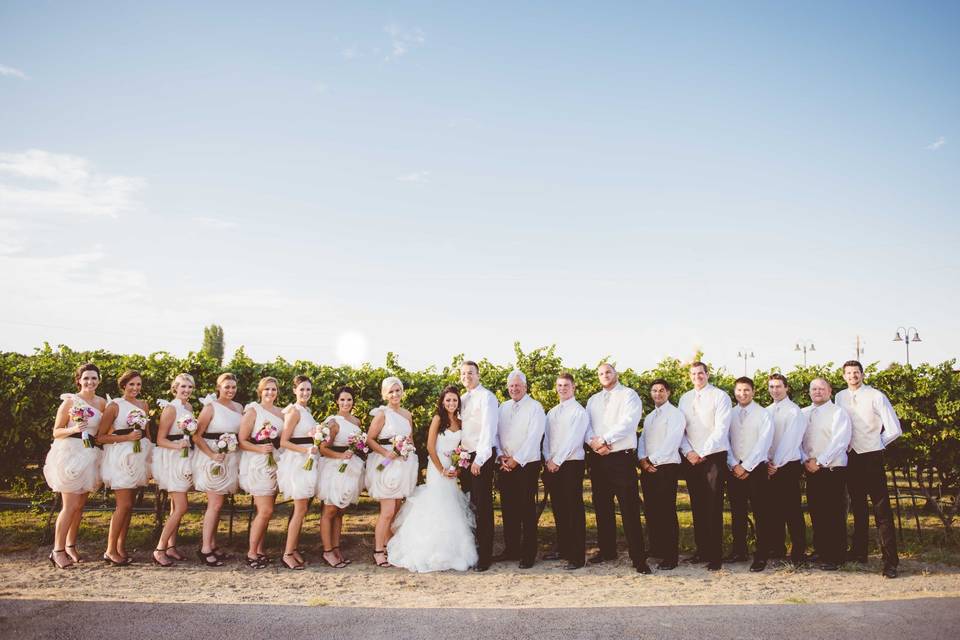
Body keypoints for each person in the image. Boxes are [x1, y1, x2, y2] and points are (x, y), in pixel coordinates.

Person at [387, 386, 478, 572]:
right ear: (442, 402)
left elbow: (463, 449)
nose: (451, 403)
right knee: (437, 503)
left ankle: (452, 551)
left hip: (452, 468)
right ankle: (429, 550)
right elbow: (430, 447)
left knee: (451, 503)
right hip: (437, 467)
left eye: (454, 400)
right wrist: (442, 469)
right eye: (448, 400)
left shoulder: (461, 422)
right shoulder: (438, 419)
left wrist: (458, 469)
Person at [836, 360, 902, 579]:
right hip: (851, 457)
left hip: (872, 457)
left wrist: (877, 443)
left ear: (862, 374)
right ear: (844, 376)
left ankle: (890, 560)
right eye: (848, 373)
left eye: (856, 372)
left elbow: (894, 428)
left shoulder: (876, 395)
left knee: (881, 510)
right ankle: (859, 552)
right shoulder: (839, 397)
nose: (852, 376)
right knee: (858, 507)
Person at [585, 363, 650, 574]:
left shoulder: (629, 395)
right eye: (601, 373)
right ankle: (607, 551)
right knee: (602, 507)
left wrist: (605, 439)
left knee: (629, 508)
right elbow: (587, 427)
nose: (604, 376)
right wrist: (594, 443)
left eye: (608, 372)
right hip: (598, 459)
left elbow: (629, 423)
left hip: (621, 459)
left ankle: (638, 558)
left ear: (616, 374)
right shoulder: (593, 400)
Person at [43, 363, 105, 569]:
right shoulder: (70, 401)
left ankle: (70, 546)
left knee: (79, 506)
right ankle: (57, 550)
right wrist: (75, 428)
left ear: (99, 380)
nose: (90, 382)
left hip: (90, 454)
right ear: (78, 380)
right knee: (69, 506)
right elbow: (56, 431)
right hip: (70, 453)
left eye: (94, 378)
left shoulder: (102, 403)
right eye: (86, 378)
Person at [678, 361, 732, 571]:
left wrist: (702, 452)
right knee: (697, 506)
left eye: (700, 373)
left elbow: (721, 429)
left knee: (713, 506)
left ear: (707, 374)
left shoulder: (720, 396)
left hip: (713, 457)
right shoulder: (685, 398)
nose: (697, 376)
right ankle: (701, 551)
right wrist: (688, 451)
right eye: (693, 374)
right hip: (691, 458)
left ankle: (715, 556)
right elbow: (681, 430)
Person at [98, 369, 152, 566]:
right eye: (131, 384)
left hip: (137, 457)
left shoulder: (144, 405)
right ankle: (110, 549)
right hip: (120, 457)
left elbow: (147, 433)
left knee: (130, 506)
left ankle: (121, 547)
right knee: (124, 505)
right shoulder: (114, 406)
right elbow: (100, 437)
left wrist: (150, 457)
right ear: (123, 386)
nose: (135, 388)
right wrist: (127, 438)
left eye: (138, 384)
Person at [366, 376, 419, 568]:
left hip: (403, 464)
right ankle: (378, 550)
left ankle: (390, 546)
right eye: (391, 391)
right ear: (384, 394)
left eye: (398, 390)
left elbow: (410, 439)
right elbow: (370, 439)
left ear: (402, 391)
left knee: (396, 510)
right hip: (386, 463)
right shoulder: (382, 414)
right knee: (387, 512)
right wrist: (387, 452)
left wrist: (407, 451)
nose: (395, 394)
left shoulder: (407, 414)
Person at [495, 369, 546, 568]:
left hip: (526, 465)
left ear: (525, 387)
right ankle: (511, 549)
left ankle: (528, 553)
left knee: (526, 509)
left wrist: (516, 460)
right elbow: (495, 434)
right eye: (511, 386)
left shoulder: (535, 407)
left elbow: (534, 437)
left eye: (518, 385)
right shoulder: (503, 407)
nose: (514, 389)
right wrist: (500, 455)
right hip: (505, 465)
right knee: (508, 510)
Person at [802, 377, 853, 571]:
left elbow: (840, 442)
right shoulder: (803, 413)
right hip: (811, 469)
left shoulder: (838, 413)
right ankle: (821, 550)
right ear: (809, 392)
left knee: (833, 513)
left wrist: (820, 461)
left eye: (821, 388)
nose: (817, 392)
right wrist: (806, 459)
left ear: (830, 391)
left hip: (832, 470)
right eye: (813, 388)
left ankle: (836, 556)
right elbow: (797, 441)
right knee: (817, 512)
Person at [192, 373, 243, 567]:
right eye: (226, 386)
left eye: (233, 387)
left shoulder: (239, 408)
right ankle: (205, 549)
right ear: (218, 387)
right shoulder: (210, 407)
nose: (230, 390)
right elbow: (196, 436)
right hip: (212, 458)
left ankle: (212, 545)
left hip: (229, 457)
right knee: (213, 504)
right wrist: (212, 455)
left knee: (219, 504)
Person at [725, 377, 774, 572]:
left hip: (756, 470)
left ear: (753, 392)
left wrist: (747, 467)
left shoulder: (764, 414)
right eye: (739, 390)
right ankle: (739, 550)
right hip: (734, 469)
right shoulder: (729, 414)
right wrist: (734, 464)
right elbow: (724, 441)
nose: (742, 394)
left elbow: (764, 443)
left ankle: (761, 555)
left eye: (746, 390)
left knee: (761, 512)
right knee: (737, 513)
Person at [543, 372, 590, 570]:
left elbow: (573, 440)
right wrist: (548, 459)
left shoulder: (579, 412)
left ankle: (577, 556)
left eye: (566, 386)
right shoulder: (552, 412)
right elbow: (546, 438)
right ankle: (563, 548)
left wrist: (558, 461)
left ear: (573, 388)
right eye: (560, 385)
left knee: (573, 510)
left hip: (570, 464)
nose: (562, 389)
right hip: (553, 464)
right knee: (559, 508)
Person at [638, 378, 686, 570]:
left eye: (661, 391)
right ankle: (657, 548)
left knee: (666, 512)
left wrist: (652, 460)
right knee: (652, 511)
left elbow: (672, 441)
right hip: (648, 468)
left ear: (668, 393)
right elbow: (643, 440)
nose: (657, 394)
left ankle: (670, 556)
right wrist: (642, 460)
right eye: (654, 391)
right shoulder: (650, 417)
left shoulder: (675, 414)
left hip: (666, 467)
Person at [317, 385, 365, 569]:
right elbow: (323, 448)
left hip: (350, 467)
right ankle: (327, 551)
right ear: (337, 401)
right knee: (329, 510)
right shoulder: (333, 422)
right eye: (342, 399)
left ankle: (336, 548)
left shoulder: (357, 422)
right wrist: (340, 456)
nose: (346, 403)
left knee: (340, 510)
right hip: (334, 467)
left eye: (349, 399)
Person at [238, 376, 284, 569]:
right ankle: (251, 553)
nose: (270, 393)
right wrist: (260, 449)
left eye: (273, 390)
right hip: (257, 463)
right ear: (260, 391)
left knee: (266, 512)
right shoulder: (252, 411)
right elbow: (242, 440)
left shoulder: (282, 413)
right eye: (266, 389)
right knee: (265, 510)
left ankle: (260, 549)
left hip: (276, 461)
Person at [458, 360, 500, 571]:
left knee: (483, 506)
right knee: (469, 503)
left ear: (478, 374)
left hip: (480, 456)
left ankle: (485, 555)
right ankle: (472, 550)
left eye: (471, 373)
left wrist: (480, 460)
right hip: (465, 456)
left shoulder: (487, 397)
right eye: (463, 374)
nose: (467, 376)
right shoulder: (462, 399)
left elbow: (488, 430)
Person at [152, 372, 197, 567]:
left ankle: (171, 547)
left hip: (185, 458)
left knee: (174, 507)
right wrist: (178, 446)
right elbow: (160, 439)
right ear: (175, 388)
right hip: (172, 458)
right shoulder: (170, 409)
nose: (186, 390)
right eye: (183, 387)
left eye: (189, 387)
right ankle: (159, 549)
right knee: (181, 507)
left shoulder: (189, 407)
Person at [277, 375, 321, 570]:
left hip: (307, 460)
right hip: (297, 462)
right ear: (294, 390)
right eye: (302, 389)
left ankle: (293, 549)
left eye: (308, 390)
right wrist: (305, 450)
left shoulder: (307, 411)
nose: (305, 393)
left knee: (302, 509)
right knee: (300, 509)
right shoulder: (294, 411)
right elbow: (283, 441)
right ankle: (287, 553)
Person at [765, 373, 808, 567]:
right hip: (770, 466)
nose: (775, 390)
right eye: (772, 387)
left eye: (778, 386)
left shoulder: (794, 411)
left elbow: (791, 441)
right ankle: (776, 546)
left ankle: (798, 550)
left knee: (792, 510)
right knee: (773, 509)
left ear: (786, 388)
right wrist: (766, 461)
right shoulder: (766, 411)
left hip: (787, 465)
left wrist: (776, 464)